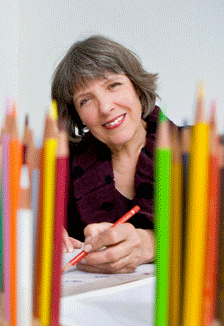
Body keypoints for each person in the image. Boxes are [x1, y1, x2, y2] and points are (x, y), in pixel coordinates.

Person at [51, 34, 179, 274]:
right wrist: (42, 230)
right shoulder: (65, 165)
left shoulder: (193, 149)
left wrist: (152, 243)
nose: (106, 108)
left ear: (136, 86)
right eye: (86, 100)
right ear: (76, 115)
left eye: (113, 85)